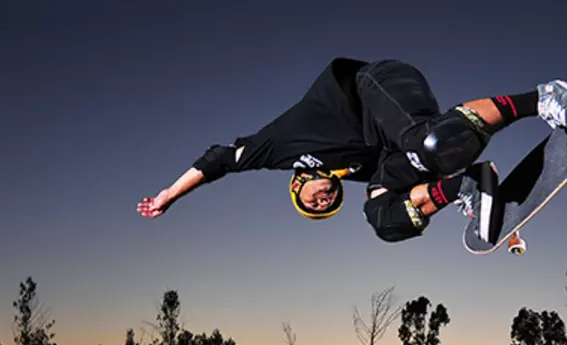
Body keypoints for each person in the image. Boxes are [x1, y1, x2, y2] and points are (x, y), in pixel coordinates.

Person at [137, 58, 567, 243]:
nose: (325, 201)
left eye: (314, 201)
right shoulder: (364, 171)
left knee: (430, 143)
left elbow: (218, 159)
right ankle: (468, 187)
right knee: (381, 217)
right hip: (399, 141)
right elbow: (402, 180)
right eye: (327, 206)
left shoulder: (278, 149)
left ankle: (543, 97)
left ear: (299, 184)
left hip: (376, 84)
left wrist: (168, 196)